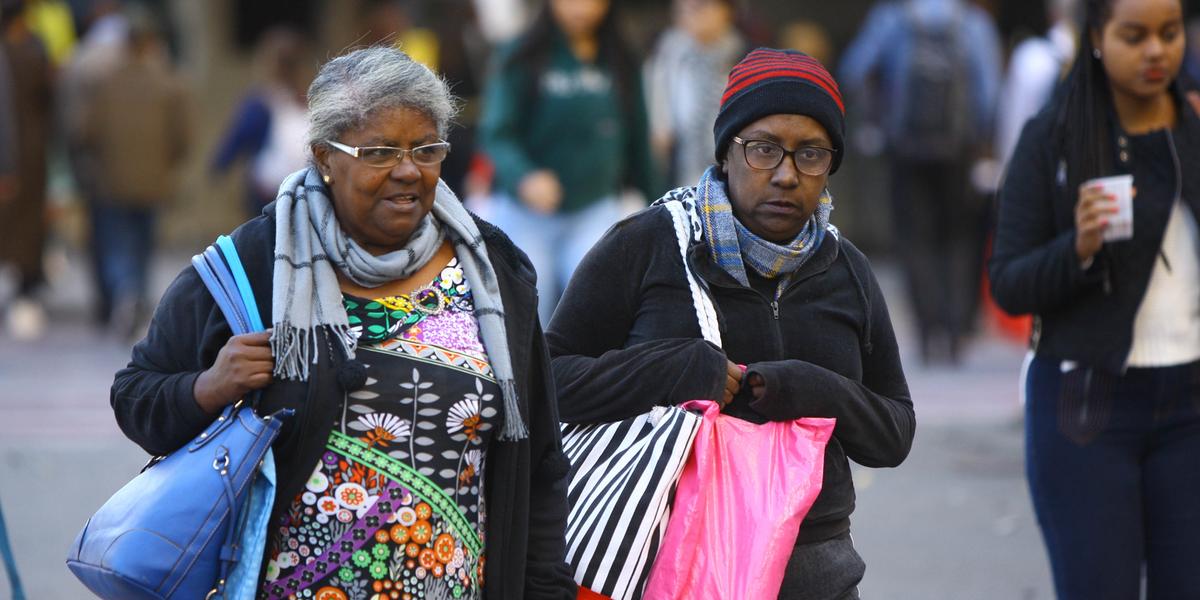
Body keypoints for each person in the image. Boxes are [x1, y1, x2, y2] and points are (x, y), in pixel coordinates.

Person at [110, 46, 576, 599]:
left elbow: (540, 464)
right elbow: (136, 397)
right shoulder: (254, 265)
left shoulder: (493, 271)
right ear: (325, 157)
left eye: (426, 149)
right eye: (379, 152)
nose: (408, 170)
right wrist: (209, 387)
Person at [548, 48, 915, 600]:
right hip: (672, 558)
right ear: (726, 154)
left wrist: (817, 392)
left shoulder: (848, 270)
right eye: (764, 149)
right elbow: (546, 381)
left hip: (818, 566)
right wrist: (673, 370)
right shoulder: (648, 244)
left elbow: (895, 432)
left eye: (811, 154)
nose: (787, 175)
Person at [989, 0, 1200, 597]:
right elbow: (1008, 279)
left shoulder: (1195, 129)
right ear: (1098, 38)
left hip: (1191, 403)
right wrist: (1077, 249)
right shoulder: (1053, 137)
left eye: (1169, 33)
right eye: (1135, 35)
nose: (1157, 50)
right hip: (1086, 403)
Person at [839, 0, 1002, 364]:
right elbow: (988, 91)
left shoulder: (891, 19)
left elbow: (855, 69)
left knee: (914, 238)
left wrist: (877, 119)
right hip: (960, 149)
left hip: (905, 146)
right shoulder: (973, 23)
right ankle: (958, 328)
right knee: (959, 236)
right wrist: (980, 138)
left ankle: (928, 331)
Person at [479, 0, 659, 324]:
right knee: (528, 306)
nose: (583, 7)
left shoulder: (620, 58)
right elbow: (496, 133)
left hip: (595, 207)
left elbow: (639, 141)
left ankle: (581, 375)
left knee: (597, 308)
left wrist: (658, 206)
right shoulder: (521, 54)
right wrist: (524, 177)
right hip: (526, 213)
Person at [70, 5, 188, 338]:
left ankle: (126, 293)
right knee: (143, 243)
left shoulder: (102, 80)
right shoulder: (169, 81)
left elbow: (84, 130)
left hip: (112, 178)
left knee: (116, 241)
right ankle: (135, 294)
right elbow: (183, 135)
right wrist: (167, 163)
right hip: (153, 179)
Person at [211, 26, 310, 217]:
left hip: (265, 190)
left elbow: (239, 136)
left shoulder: (260, 101)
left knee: (263, 239)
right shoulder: (307, 100)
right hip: (300, 188)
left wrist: (219, 165)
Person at [645, 0, 745, 187]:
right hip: (679, 169)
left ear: (726, 11)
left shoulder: (743, 55)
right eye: (682, 7)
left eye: (700, 5)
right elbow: (658, 123)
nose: (689, 12)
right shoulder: (666, 55)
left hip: (731, 166)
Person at [0, 0, 53, 341]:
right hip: (25, 158)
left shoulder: (21, 54)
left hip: (21, 158)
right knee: (21, 234)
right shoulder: (32, 53)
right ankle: (22, 290)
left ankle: (20, 292)